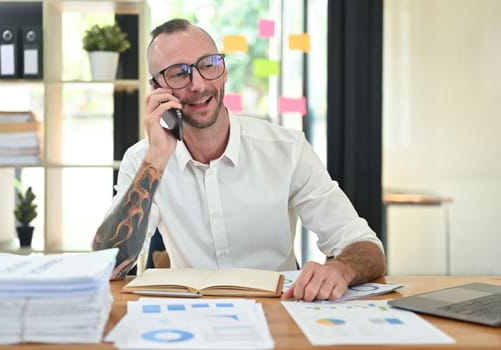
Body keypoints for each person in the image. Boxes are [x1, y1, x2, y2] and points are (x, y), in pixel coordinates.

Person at [92, 18, 385, 302]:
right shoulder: (143, 159)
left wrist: (340, 268)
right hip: (191, 316)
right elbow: (107, 265)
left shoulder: (287, 149)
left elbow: (367, 248)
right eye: (178, 73)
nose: (197, 84)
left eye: (208, 65)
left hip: (280, 312)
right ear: (157, 90)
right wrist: (156, 159)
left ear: (224, 72)